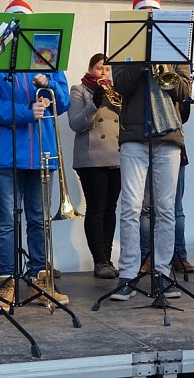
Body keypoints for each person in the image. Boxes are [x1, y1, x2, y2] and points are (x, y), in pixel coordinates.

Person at [0, 0, 71, 310]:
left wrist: (50, 83)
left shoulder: (49, 56)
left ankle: (39, 281)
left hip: (42, 152)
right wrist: (26, 111)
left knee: (40, 221)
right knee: (6, 222)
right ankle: (7, 282)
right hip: (6, 153)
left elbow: (64, 102)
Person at [109, 0, 190, 301]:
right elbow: (121, 86)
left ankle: (162, 273)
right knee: (129, 208)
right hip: (133, 135)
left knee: (166, 209)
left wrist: (166, 67)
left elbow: (183, 89)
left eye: (154, 12)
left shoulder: (174, 45)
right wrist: (142, 61)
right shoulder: (122, 45)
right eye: (144, 12)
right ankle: (128, 274)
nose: (150, 17)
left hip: (168, 135)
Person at [68, 53, 121, 279]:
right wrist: (95, 103)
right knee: (97, 209)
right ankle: (99, 260)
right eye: (100, 68)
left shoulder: (118, 92)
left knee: (111, 209)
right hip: (91, 159)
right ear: (90, 69)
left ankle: (108, 259)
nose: (104, 72)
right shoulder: (79, 90)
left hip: (117, 157)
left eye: (108, 69)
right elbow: (76, 124)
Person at [139, 102, 192, 274]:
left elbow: (183, 115)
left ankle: (179, 255)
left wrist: (182, 97)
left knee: (175, 209)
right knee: (146, 208)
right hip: (144, 145)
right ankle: (146, 257)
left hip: (172, 147)